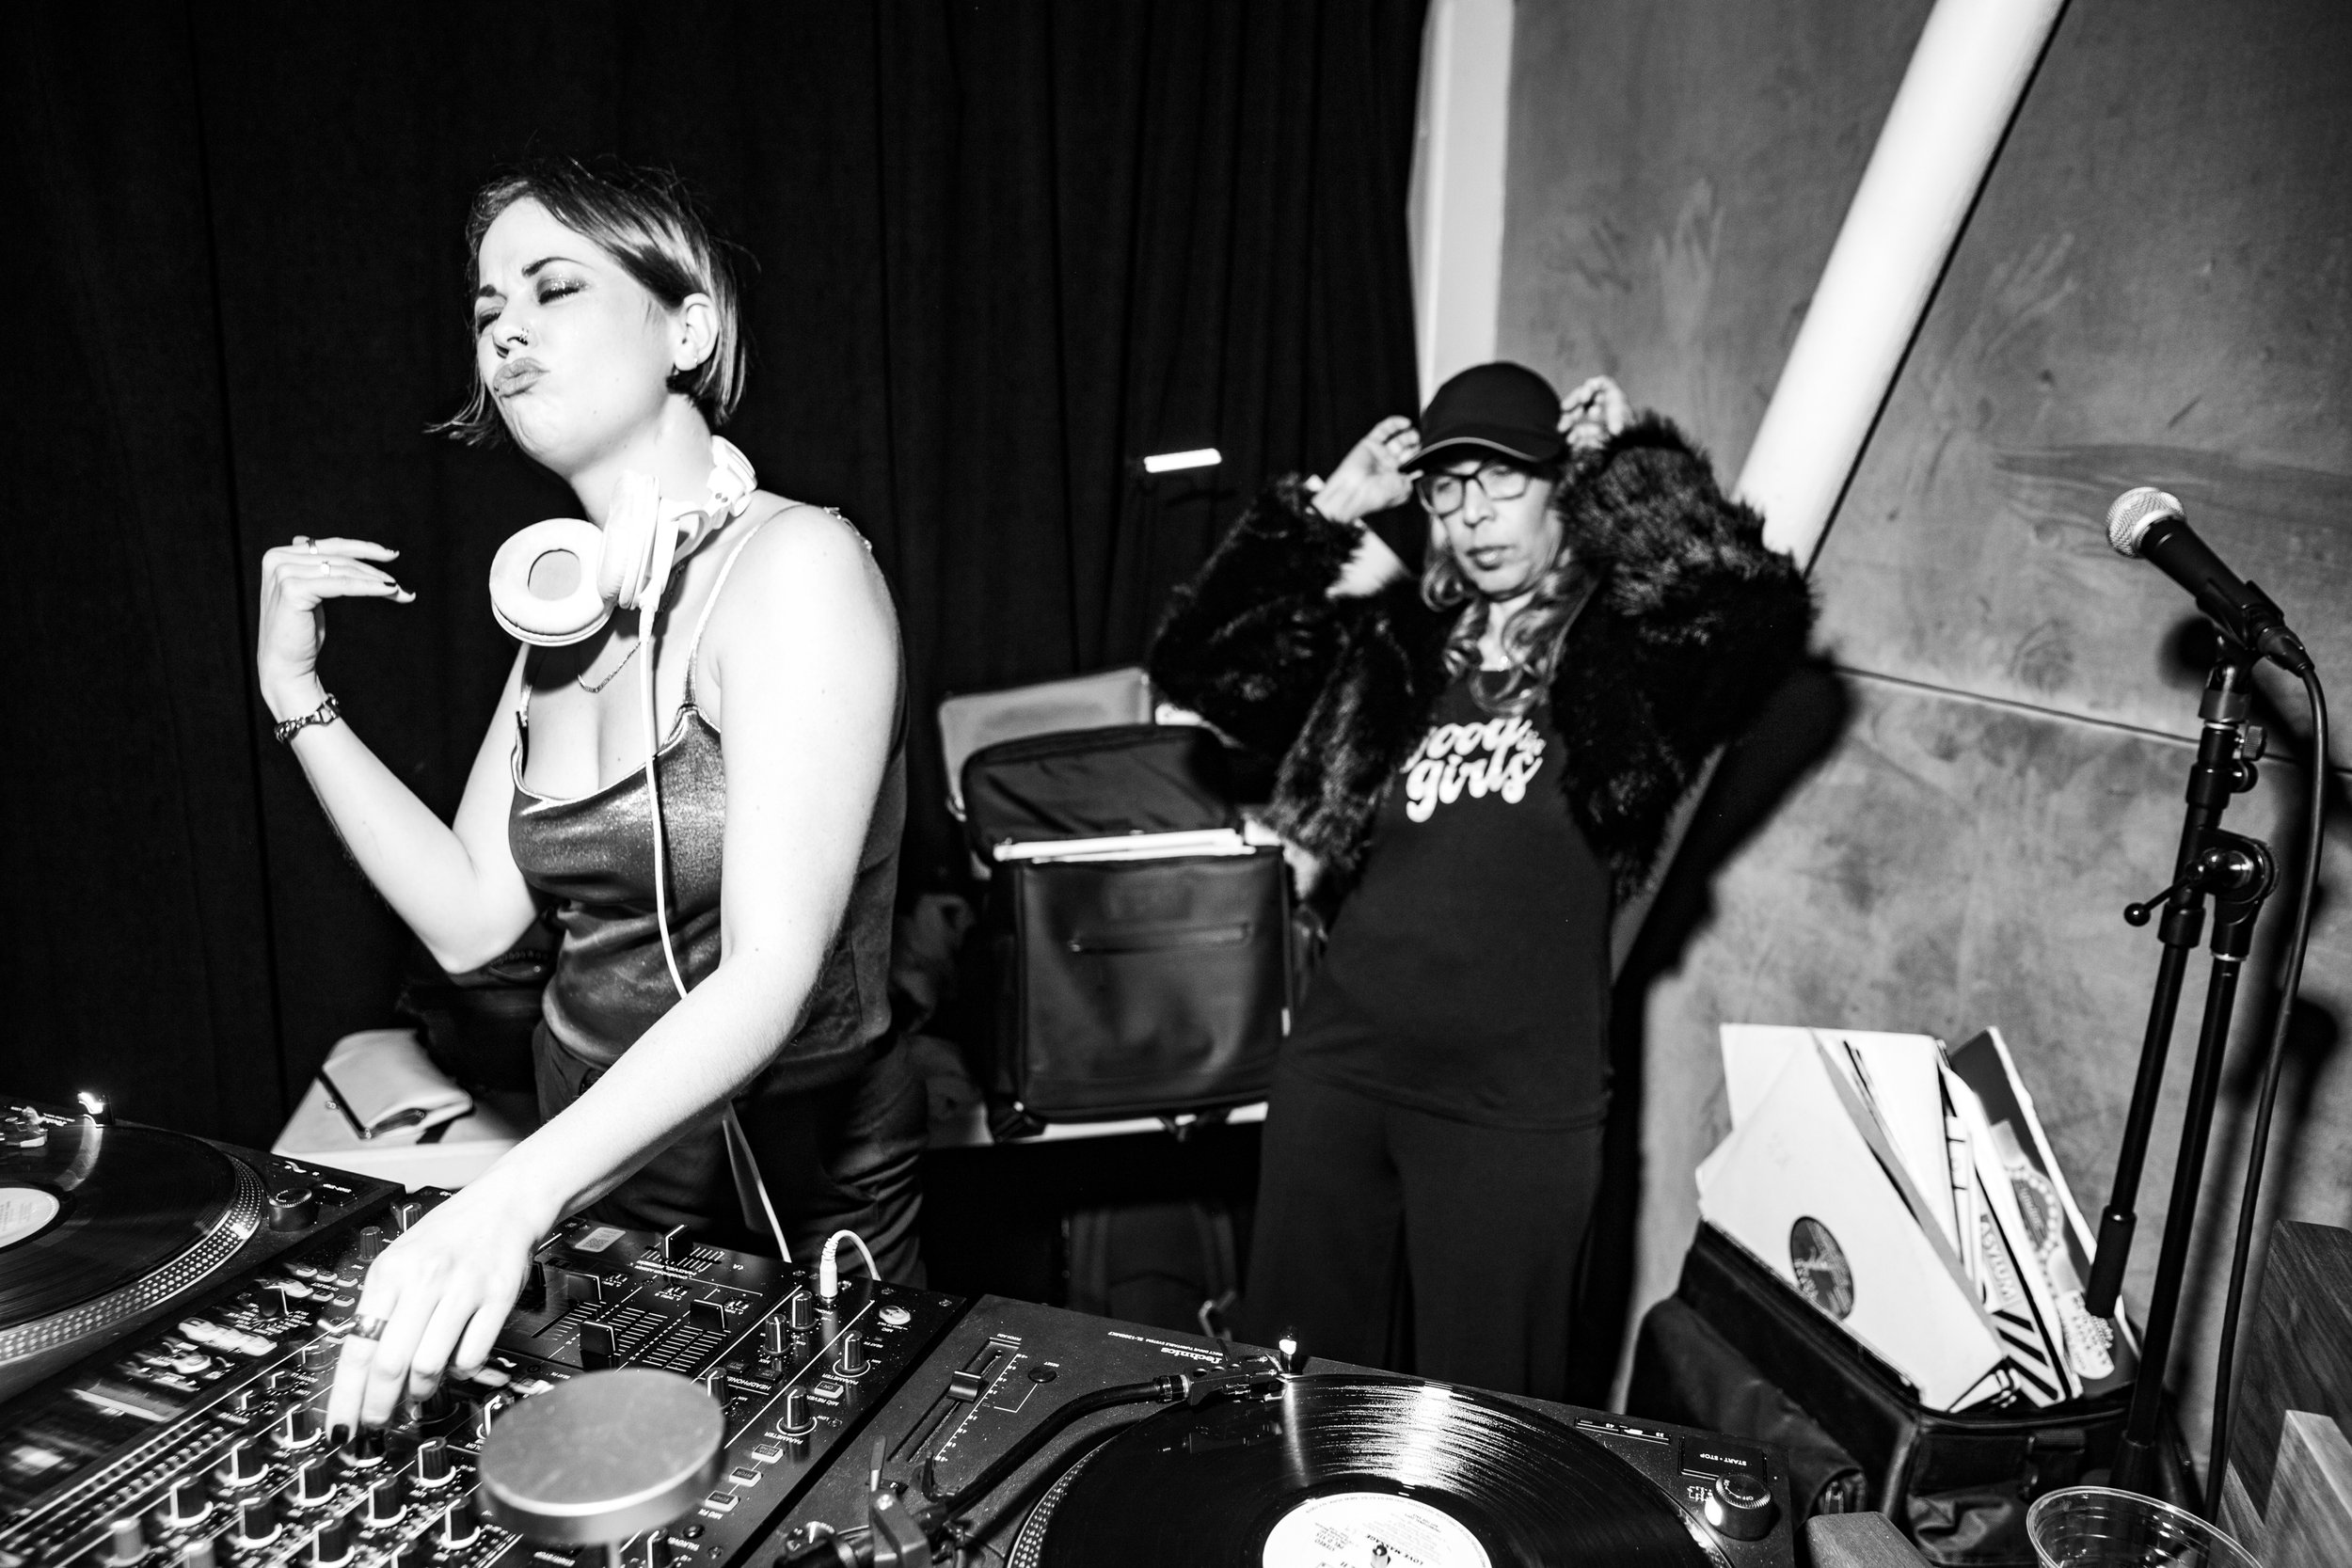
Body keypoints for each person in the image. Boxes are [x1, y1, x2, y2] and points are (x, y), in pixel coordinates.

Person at [255, 161, 919, 1433]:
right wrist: (296, 690)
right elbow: (468, 921)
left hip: (784, 1184)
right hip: (592, 1175)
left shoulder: (799, 568)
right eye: (487, 306)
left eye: (554, 288)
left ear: (689, 329)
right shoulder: (555, 623)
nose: (505, 329)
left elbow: (770, 968)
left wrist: (507, 1197)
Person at [1147, 361, 1812, 1399]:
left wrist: (1633, 467)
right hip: (1342, 1071)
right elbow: (1202, 664)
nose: (1473, 513)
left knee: (1493, 1409)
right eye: (1449, 485)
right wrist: (1327, 511)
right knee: (1291, 1386)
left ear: (1561, 485)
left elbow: (1754, 616)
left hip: (1515, 1105)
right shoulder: (1398, 646)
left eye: (1505, 478)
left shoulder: (1622, 656)